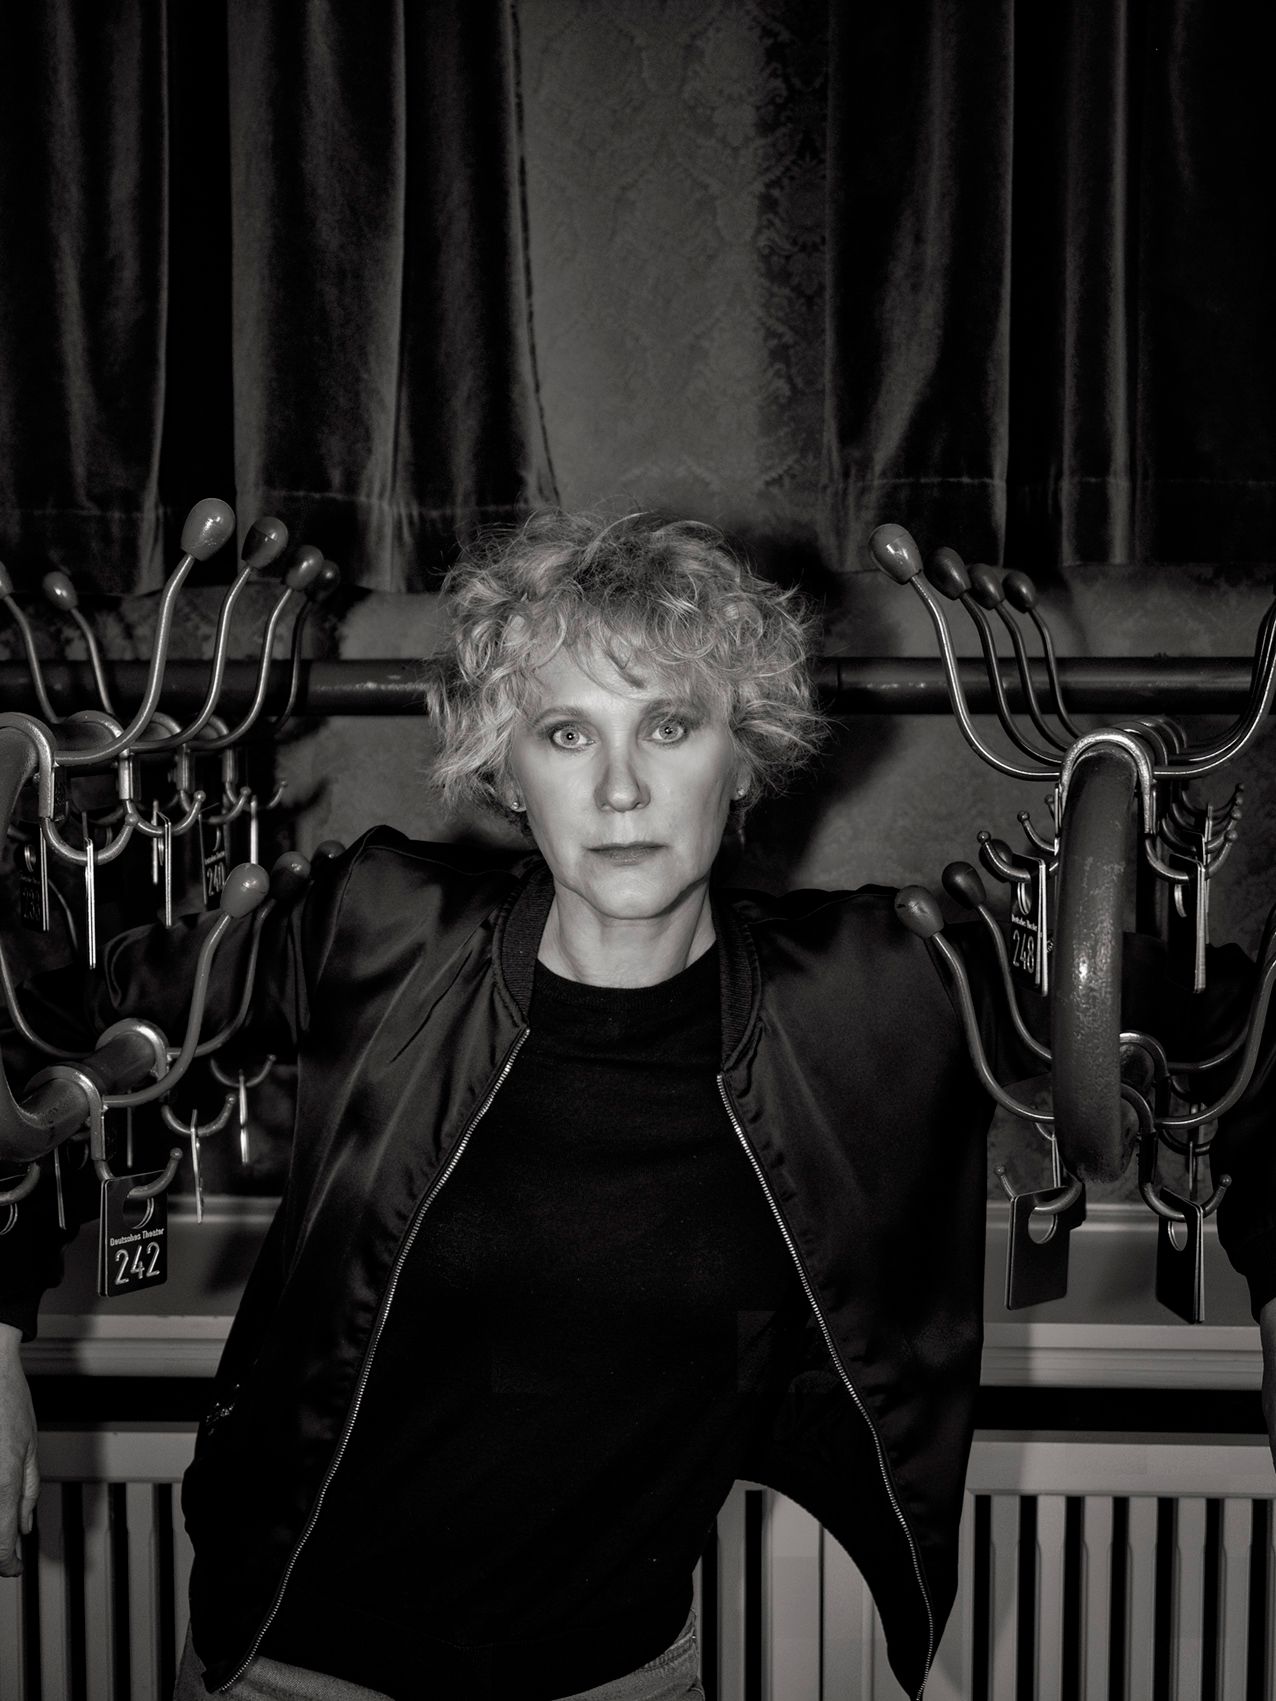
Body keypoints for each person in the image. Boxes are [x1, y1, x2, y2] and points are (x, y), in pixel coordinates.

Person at [0, 509, 1273, 1701]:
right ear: (506, 771)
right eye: (566, 735)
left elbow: (1232, 1044)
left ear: (744, 759)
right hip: (296, 1667)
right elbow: (44, 1032)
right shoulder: (373, 930)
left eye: (667, 727)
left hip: (626, 1674)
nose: (618, 789)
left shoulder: (887, 987)